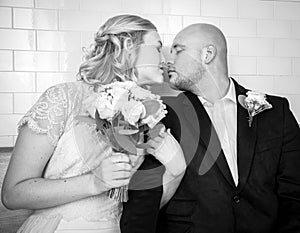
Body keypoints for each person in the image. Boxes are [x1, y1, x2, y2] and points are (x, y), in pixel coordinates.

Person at [1, 15, 185, 233]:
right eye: (157, 47)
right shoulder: (64, 98)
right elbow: (13, 194)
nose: (163, 59)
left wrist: (176, 170)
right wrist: (93, 182)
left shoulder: (147, 115)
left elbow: (141, 205)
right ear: (128, 45)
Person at [121, 23, 300, 233]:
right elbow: (142, 203)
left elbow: (294, 194)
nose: (168, 60)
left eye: (178, 50)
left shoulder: (275, 112)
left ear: (208, 54)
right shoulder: (163, 115)